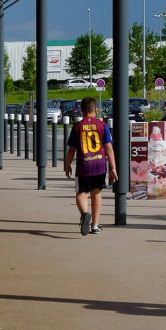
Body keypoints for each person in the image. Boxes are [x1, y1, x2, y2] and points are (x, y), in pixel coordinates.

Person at [64, 95, 117, 235]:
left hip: (84, 166)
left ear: (82, 111)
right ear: (96, 110)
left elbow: (72, 149)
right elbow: (109, 147)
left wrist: (67, 165)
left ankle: (84, 214)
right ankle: (95, 225)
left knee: (81, 194)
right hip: (99, 165)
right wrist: (113, 168)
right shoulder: (102, 125)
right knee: (96, 193)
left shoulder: (78, 126)